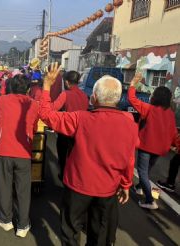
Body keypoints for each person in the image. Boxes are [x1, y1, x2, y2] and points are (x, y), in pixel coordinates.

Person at [39, 63, 139, 246]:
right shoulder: (130, 125)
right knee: (100, 235)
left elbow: (46, 115)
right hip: (107, 190)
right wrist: (126, 183)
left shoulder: (80, 119)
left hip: (77, 187)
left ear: (93, 98)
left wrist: (46, 85)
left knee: (70, 231)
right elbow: (129, 158)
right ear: (118, 99)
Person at [0, 74, 39, 238]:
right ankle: (23, 224)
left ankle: (5, 219)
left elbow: (4, 91)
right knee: (23, 189)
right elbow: (34, 126)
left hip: (5, 149)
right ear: (28, 89)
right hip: (24, 151)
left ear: (11, 86)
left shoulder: (2, 100)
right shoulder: (33, 103)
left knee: (5, 186)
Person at [128, 74, 178, 209]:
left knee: (142, 171)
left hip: (146, 145)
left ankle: (150, 200)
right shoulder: (170, 113)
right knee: (148, 169)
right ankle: (139, 187)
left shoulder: (149, 108)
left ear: (156, 97)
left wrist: (133, 84)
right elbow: (173, 131)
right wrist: (175, 145)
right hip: (161, 148)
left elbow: (132, 99)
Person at [52, 71, 89, 180]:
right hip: (81, 130)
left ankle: (63, 175)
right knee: (77, 155)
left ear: (67, 82)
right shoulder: (84, 95)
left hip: (66, 130)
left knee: (63, 154)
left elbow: (54, 107)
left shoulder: (65, 94)